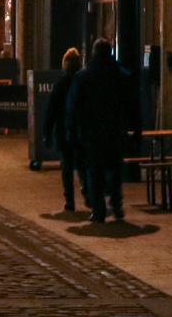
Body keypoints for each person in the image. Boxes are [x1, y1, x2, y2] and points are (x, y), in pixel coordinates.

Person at [66, 38, 142, 223]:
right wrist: (136, 131)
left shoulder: (83, 76)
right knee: (116, 169)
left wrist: (72, 133)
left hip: (91, 133)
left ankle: (98, 209)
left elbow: (73, 107)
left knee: (95, 172)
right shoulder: (122, 76)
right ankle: (116, 204)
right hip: (116, 130)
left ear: (94, 53)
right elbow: (133, 106)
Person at [41, 48, 86, 211]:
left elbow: (51, 109)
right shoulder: (83, 81)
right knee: (82, 163)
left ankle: (70, 200)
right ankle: (87, 190)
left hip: (64, 129)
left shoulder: (61, 82)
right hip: (81, 129)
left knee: (67, 166)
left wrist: (47, 132)